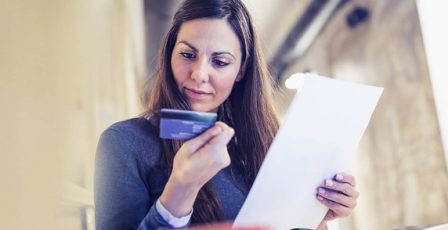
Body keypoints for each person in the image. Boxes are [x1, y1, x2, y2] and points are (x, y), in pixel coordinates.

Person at [94, 0, 359, 229]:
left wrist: (317, 216)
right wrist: (180, 189)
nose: (199, 74)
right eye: (187, 54)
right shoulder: (125, 142)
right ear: (168, 55)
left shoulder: (268, 143)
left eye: (219, 62)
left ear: (241, 71)